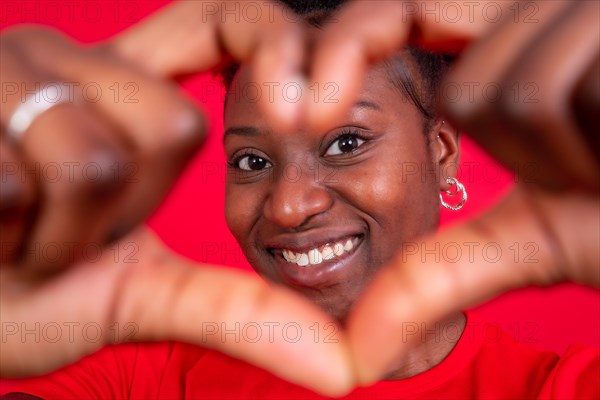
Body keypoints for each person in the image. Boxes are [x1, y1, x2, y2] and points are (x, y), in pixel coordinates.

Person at [1, 0, 598, 398]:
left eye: (346, 142)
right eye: (252, 162)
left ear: (441, 151)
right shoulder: (144, 378)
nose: (288, 207)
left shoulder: (558, 387)